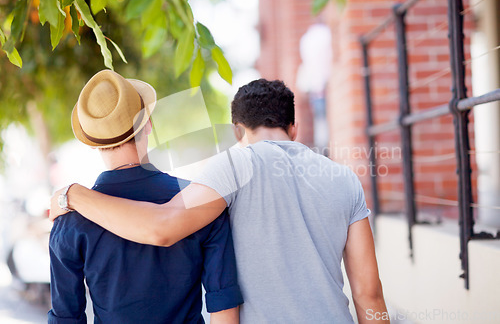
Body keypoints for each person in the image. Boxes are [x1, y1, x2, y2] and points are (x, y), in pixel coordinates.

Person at [51, 78, 389, 323]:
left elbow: (161, 226)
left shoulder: (230, 169)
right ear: (294, 128)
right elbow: (370, 295)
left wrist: (73, 194)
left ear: (238, 130)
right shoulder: (344, 178)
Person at [48, 70, 242, 323]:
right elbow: (223, 304)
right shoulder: (201, 201)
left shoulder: (69, 221)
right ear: (148, 124)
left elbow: (66, 319)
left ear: (92, 142)